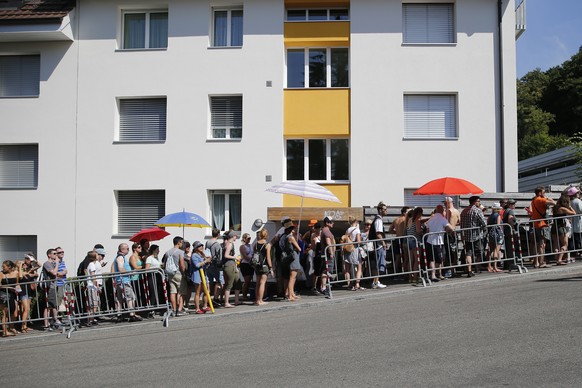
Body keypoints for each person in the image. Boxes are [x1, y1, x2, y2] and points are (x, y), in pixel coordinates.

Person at [113, 243, 142, 322]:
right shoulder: (120, 257)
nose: (129, 250)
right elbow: (120, 268)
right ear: (122, 249)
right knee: (130, 297)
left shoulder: (120, 257)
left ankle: (120, 315)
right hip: (123, 281)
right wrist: (130, 273)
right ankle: (131, 315)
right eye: (127, 249)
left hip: (121, 281)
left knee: (120, 299)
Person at [425, 205, 454, 281]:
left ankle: (433, 275)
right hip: (438, 241)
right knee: (440, 259)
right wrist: (447, 230)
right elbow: (451, 228)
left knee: (432, 259)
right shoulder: (442, 219)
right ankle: (439, 274)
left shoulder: (431, 219)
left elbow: (427, 229)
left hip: (429, 241)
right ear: (442, 211)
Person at [460, 196, 487, 277]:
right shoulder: (477, 210)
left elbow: (462, 224)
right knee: (479, 252)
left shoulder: (464, 211)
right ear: (475, 202)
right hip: (476, 235)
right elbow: (484, 223)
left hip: (467, 235)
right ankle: (477, 268)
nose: (479, 203)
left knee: (468, 253)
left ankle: (469, 270)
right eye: (478, 201)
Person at [530, 186, 555, 268]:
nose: (545, 194)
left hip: (536, 224)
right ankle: (541, 262)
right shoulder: (541, 199)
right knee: (542, 244)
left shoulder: (533, 200)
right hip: (542, 224)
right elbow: (554, 203)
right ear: (540, 193)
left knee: (537, 244)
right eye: (544, 192)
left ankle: (536, 262)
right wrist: (547, 198)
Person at [162, 236, 186, 316]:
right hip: (178, 273)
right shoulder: (180, 252)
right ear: (179, 242)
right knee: (181, 292)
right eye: (182, 242)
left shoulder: (168, 252)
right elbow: (182, 265)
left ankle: (174, 309)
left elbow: (164, 264)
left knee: (173, 292)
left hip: (170, 274)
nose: (182, 244)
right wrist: (184, 273)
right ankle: (179, 310)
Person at [279, 220, 302, 301]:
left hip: (288, 257)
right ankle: (290, 296)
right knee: (292, 277)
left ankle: (292, 294)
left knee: (292, 277)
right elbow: (299, 248)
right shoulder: (291, 237)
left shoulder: (283, 236)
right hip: (293, 257)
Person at [551, 193, 575, 266]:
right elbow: (574, 213)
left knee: (556, 244)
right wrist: (570, 207)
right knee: (565, 244)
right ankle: (559, 260)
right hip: (560, 227)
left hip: (554, 227)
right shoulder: (562, 209)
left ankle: (556, 257)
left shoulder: (555, 208)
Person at [368, 202, 388, 289]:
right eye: (385, 209)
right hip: (378, 246)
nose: (386, 211)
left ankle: (376, 281)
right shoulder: (378, 220)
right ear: (380, 210)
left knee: (377, 264)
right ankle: (375, 282)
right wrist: (383, 243)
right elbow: (379, 234)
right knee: (378, 264)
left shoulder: (377, 219)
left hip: (376, 245)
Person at [17, 254, 38, 333]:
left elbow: (38, 266)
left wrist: (33, 260)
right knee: (25, 309)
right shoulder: (21, 273)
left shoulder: (28, 272)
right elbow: (20, 276)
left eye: (26, 264)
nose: (25, 265)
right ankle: (23, 327)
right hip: (23, 292)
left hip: (28, 292)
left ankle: (25, 325)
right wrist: (20, 266)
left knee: (27, 309)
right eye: (24, 265)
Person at [189, 241, 212, 314]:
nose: (201, 247)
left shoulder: (202, 254)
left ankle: (205, 306)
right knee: (198, 292)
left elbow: (205, 264)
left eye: (202, 246)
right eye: (199, 246)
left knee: (207, 291)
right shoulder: (194, 255)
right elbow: (197, 265)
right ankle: (197, 308)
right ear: (196, 248)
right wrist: (205, 261)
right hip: (197, 275)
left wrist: (208, 261)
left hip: (204, 275)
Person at [388, 206, 410, 276]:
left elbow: (390, 230)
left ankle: (396, 272)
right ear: (404, 212)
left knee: (398, 257)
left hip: (397, 239)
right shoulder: (406, 220)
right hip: (403, 238)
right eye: (408, 212)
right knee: (406, 257)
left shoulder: (396, 220)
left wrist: (397, 232)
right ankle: (405, 273)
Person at [253, 228, 273, 305]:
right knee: (262, 283)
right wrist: (271, 267)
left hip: (257, 265)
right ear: (266, 235)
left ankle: (256, 299)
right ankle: (260, 300)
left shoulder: (256, 244)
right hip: (264, 265)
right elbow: (268, 257)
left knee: (257, 283)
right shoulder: (267, 245)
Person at [342, 216, 363, 290]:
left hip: (348, 249)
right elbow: (358, 241)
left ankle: (348, 284)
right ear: (356, 222)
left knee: (347, 268)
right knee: (359, 266)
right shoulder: (357, 230)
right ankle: (357, 284)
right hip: (355, 249)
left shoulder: (348, 230)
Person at [0, 260, 20, 336]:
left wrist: (18, 290)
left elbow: (17, 283)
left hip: (13, 295)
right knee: (5, 313)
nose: (2, 268)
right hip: (3, 295)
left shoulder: (16, 273)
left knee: (14, 313)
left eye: (4, 266)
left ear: (9, 267)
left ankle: (11, 327)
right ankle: (5, 331)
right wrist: (9, 287)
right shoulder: (1, 274)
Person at [221, 231, 241, 308]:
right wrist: (235, 257)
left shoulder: (227, 243)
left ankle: (236, 300)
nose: (236, 237)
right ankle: (226, 302)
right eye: (236, 236)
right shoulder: (229, 244)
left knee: (238, 282)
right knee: (229, 284)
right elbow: (226, 255)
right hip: (229, 266)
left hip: (232, 265)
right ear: (233, 236)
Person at [205, 228, 224, 306]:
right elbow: (220, 256)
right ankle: (216, 298)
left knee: (209, 282)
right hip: (215, 265)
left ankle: (207, 299)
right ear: (218, 234)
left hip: (208, 265)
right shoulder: (217, 244)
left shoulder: (207, 242)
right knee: (220, 281)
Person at [405, 207, 424, 283]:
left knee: (411, 260)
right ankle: (415, 277)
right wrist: (422, 231)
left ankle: (410, 277)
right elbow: (418, 231)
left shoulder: (409, 220)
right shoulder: (416, 220)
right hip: (415, 241)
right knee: (416, 260)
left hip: (409, 241)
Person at [443, 197, 460, 278]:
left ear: (448, 202)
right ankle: (453, 270)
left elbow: (446, 223)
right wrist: (454, 225)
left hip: (449, 233)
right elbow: (459, 221)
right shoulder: (456, 211)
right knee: (454, 252)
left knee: (448, 252)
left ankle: (449, 271)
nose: (444, 204)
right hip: (454, 233)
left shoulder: (448, 211)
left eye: (445, 203)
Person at [487, 203, 504, 273]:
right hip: (497, 234)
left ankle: (489, 266)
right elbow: (498, 225)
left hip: (491, 234)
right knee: (496, 250)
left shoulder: (490, 216)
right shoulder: (497, 216)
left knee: (490, 250)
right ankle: (495, 266)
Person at [85, 251, 100, 326]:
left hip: (91, 286)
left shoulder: (91, 264)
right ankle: (91, 319)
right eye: (97, 255)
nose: (98, 256)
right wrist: (96, 285)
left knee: (94, 303)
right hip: (92, 286)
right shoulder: (92, 265)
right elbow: (93, 276)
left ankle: (92, 318)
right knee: (94, 303)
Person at [502, 199, 518, 271]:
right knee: (510, 248)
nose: (515, 205)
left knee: (508, 247)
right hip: (509, 230)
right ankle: (510, 264)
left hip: (506, 230)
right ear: (510, 205)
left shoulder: (505, 211)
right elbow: (510, 219)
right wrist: (513, 228)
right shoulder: (510, 211)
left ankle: (507, 264)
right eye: (514, 204)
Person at [567, 187, 582, 260]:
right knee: (579, 237)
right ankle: (579, 251)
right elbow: (580, 209)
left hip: (573, 222)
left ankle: (576, 251)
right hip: (579, 221)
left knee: (575, 237)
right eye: (578, 193)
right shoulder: (578, 201)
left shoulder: (570, 202)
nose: (579, 194)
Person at [239, 233, 254, 301]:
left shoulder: (251, 245)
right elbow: (245, 256)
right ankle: (244, 295)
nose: (249, 240)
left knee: (250, 279)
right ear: (244, 239)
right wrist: (251, 260)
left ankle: (246, 294)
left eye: (250, 238)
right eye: (248, 238)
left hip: (251, 264)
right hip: (245, 264)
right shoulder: (242, 246)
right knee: (247, 280)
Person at [54, 247, 68, 313]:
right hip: (59, 284)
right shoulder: (54, 263)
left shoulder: (63, 262)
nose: (62, 253)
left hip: (65, 283)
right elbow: (56, 273)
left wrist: (63, 272)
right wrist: (63, 272)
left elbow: (65, 271)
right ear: (56, 254)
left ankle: (70, 316)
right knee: (58, 302)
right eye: (60, 252)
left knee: (70, 300)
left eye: (63, 252)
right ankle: (57, 319)